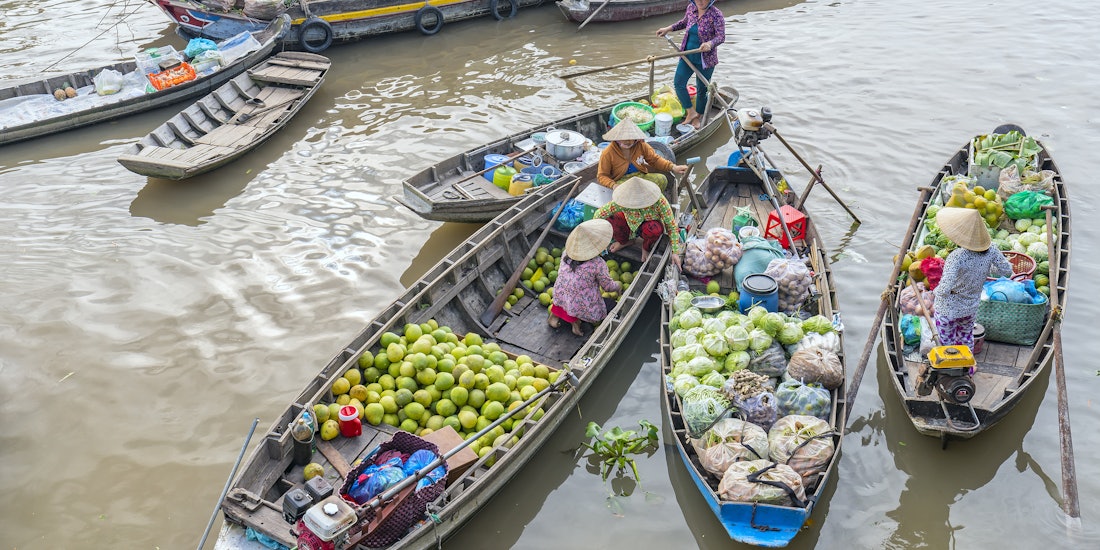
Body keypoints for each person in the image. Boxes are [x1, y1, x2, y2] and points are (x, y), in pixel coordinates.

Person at [932, 207, 1013, 352]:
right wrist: (987, 268)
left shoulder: (957, 256)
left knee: (947, 345)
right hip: (970, 308)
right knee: (965, 338)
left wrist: (934, 293)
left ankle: (950, 365)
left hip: (948, 309)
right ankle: (968, 363)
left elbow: (944, 288)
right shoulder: (992, 249)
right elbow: (1006, 271)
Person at [656, 0, 726, 129]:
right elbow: (684, 23)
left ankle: (698, 116)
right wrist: (668, 29)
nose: (700, 1)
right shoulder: (691, 9)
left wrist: (710, 44)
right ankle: (691, 112)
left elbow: (721, 36)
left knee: (702, 89)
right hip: (687, 56)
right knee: (679, 83)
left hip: (706, 60)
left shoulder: (716, 14)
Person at [549, 219, 621, 336]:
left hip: (559, 294)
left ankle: (555, 317)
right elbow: (607, 287)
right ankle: (576, 323)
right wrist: (618, 287)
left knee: (568, 293)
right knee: (612, 305)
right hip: (580, 304)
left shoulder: (566, 253)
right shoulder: (597, 263)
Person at [594, 176, 683, 269]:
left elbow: (671, 226)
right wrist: (597, 238)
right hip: (630, 224)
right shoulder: (623, 200)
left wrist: (675, 252)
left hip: (649, 227)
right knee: (611, 219)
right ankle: (625, 242)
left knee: (654, 229)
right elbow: (599, 214)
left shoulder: (659, 201)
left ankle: (646, 247)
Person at [597, 118, 687, 190]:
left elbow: (655, 160)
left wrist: (673, 167)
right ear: (616, 139)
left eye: (630, 139)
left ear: (636, 139)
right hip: (621, 181)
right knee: (627, 193)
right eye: (623, 139)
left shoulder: (641, 145)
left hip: (640, 176)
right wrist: (613, 185)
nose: (627, 141)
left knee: (662, 179)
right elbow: (602, 176)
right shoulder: (608, 153)